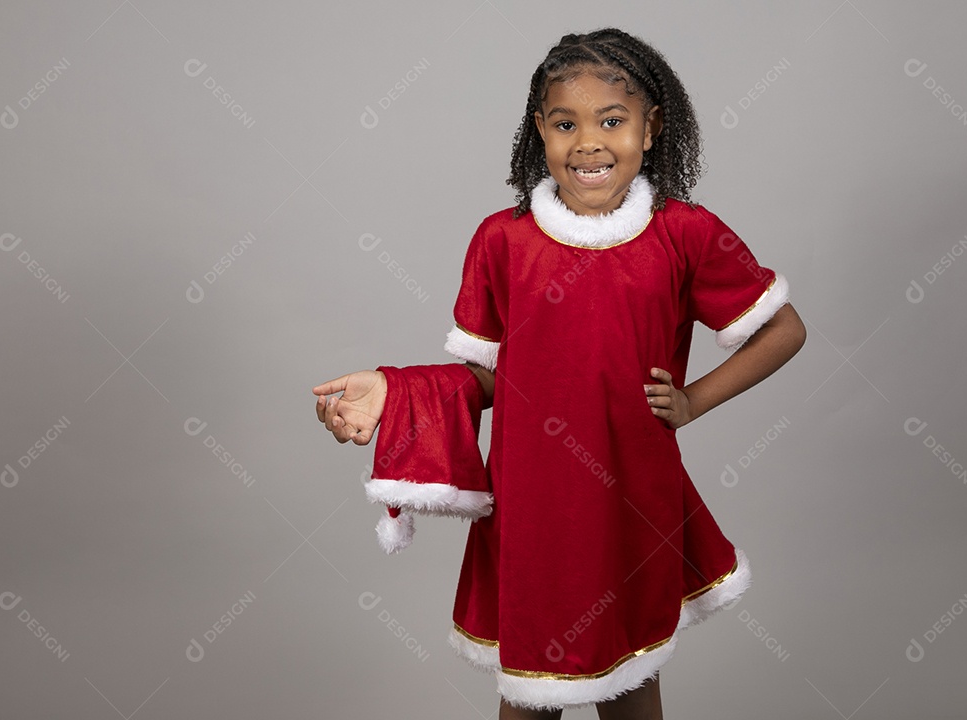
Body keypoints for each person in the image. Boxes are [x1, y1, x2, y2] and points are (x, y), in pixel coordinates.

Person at [313, 28, 805, 720]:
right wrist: (396, 391)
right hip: (534, 505)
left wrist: (692, 401)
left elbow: (784, 330)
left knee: (631, 676)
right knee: (530, 688)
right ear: (540, 130)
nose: (589, 143)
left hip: (633, 497)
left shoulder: (685, 232)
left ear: (650, 128)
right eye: (566, 124)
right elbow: (495, 378)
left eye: (613, 120)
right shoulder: (502, 240)